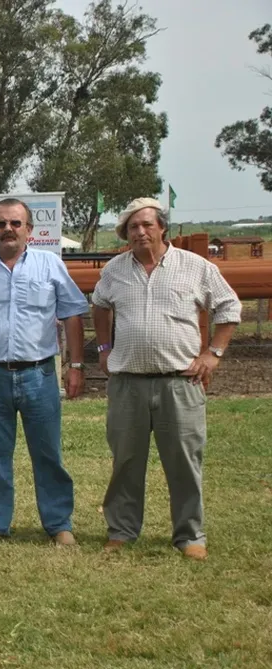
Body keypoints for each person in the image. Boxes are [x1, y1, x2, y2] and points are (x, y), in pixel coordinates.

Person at [91, 197, 241, 561]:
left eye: (147, 225)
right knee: (125, 461)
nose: (140, 232)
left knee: (184, 462)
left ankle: (190, 536)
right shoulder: (114, 270)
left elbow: (229, 306)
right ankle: (122, 530)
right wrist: (104, 348)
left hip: (180, 383)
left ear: (162, 228)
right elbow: (99, 304)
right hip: (127, 383)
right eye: (132, 227)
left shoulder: (195, 267)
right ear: (125, 234)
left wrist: (213, 354)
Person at [0, 197, 89, 546]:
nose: (8, 229)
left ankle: (59, 524)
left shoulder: (50, 265)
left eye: (15, 223)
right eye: (1, 224)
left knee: (48, 453)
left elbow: (72, 315)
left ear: (30, 230)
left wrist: (76, 366)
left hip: (39, 376)